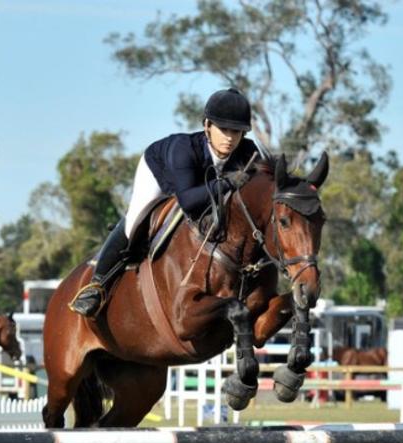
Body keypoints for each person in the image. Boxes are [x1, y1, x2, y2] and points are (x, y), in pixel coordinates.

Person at [68, 87, 261, 316]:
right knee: (135, 220)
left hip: (205, 184)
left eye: (236, 132)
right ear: (207, 126)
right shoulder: (183, 150)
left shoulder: (249, 153)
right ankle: (97, 285)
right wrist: (229, 183)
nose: (229, 138)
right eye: (223, 129)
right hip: (160, 173)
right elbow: (189, 201)